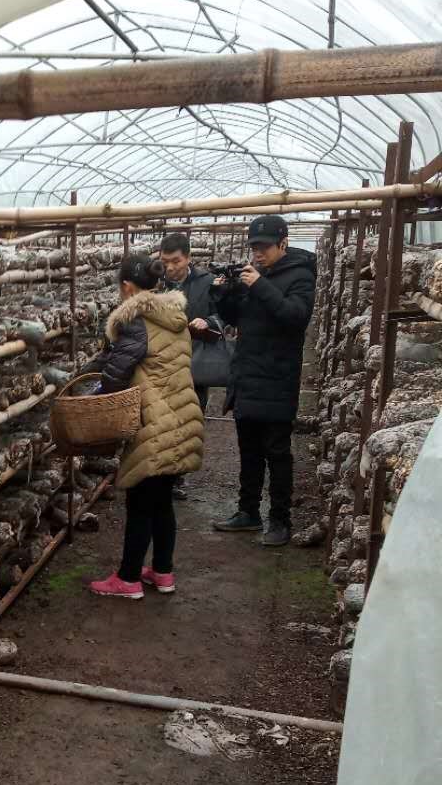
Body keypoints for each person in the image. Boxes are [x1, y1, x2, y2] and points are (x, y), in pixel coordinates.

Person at [86, 254, 204, 600]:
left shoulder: (136, 321)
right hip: (181, 415)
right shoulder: (174, 317)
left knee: (140, 501)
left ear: (127, 286)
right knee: (162, 501)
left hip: (154, 422)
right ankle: (163, 572)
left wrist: (91, 395)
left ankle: (128, 579)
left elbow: (116, 371)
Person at [211, 214, 317, 547]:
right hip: (247, 375)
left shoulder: (300, 275)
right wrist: (224, 295)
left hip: (277, 377)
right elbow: (235, 318)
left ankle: (280, 520)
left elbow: (295, 316)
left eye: (265, 247)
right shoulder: (254, 274)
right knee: (250, 450)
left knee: (278, 453)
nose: (258, 253)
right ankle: (248, 512)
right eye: (254, 247)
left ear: (283, 243)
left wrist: (259, 285)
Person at [158, 231, 224, 498]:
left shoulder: (206, 282)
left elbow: (222, 314)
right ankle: (163, 473)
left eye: (175, 261)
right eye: (165, 262)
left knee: (189, 418)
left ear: (188, 258)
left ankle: (177, 475)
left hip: (194, 362)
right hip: (162, 362)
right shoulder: (157, 283)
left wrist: (208, 322)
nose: (170, 267)